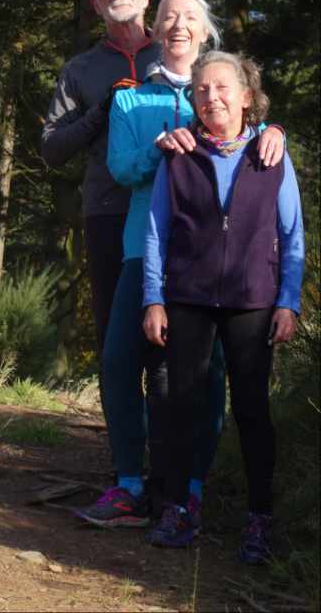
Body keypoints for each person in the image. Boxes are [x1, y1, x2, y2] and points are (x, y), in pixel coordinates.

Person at [77, 0, 284, 528]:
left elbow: (245, 136)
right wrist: (163, 146)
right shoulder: (130, 97)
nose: (178, 26)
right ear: (155, 26)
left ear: (205, 30)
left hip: (210, 263)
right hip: (141, 250)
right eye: (168, 17)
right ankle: (127, 483)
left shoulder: (219, 88)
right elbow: (122, 170)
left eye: (189, 17)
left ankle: (189, 486)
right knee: (120, 361)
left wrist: (274, 131)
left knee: (205, 375)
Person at [142, 52, 303, 563]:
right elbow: (154, 233)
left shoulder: (271, 153)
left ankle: (259, 519)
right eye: (201, 90)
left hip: (254, 302)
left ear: (247, 95)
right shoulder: (179, 154)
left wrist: (288, 302)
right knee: (180, 408)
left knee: (253, 411)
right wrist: (153, 298)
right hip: (187, 298)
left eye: (222, 88)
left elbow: (292, 235)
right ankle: (177, 509)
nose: (211, 97)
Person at [42, 0, 160, 355]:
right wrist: (100, 114)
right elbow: (52, 149)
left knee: (175, 328)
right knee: (116, 327)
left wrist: (273, 130)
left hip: (174, 205)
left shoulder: (176, 54)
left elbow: (228, 107)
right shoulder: (80, 69)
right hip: (108, 208)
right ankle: (121, 419)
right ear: (95, 3)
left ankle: (170, 419)